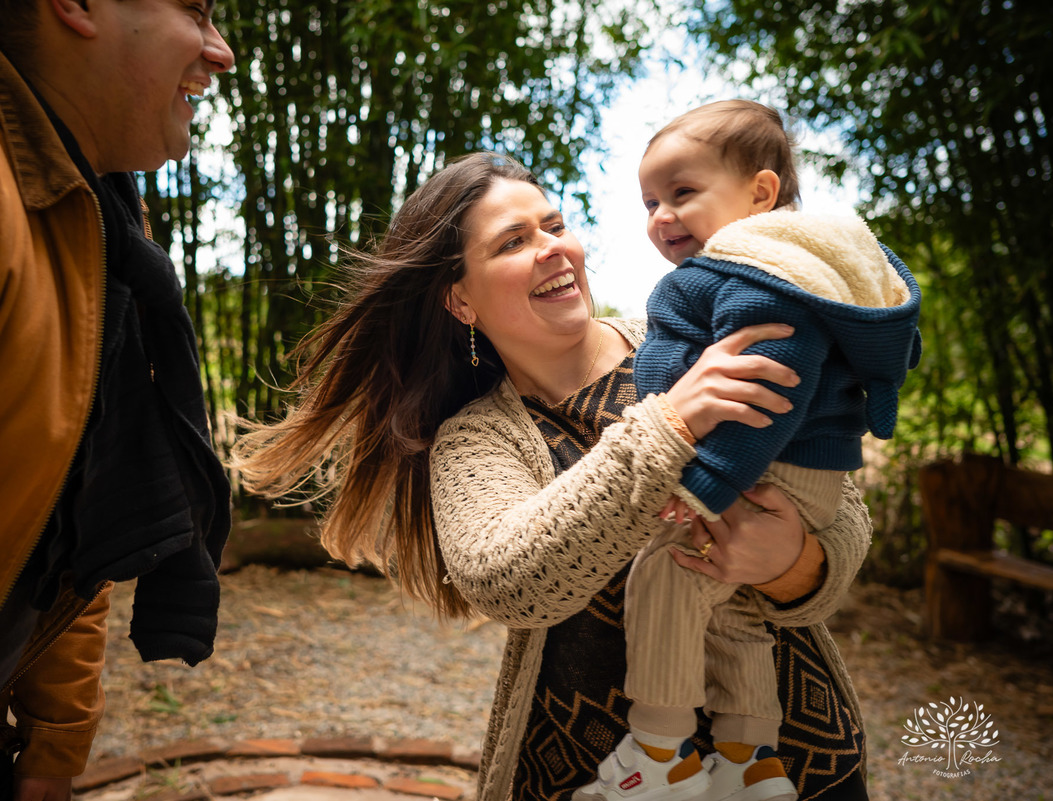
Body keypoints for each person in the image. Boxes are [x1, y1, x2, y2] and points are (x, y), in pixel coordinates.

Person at [233, 152, 874, 801]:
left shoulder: (694, 339)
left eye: (554, 224)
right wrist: (668, 425)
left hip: (794, 763)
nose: (552, 249)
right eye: (513, 242)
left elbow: (837, 507)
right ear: (460, 299)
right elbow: (509, 581)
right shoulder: (479, 437)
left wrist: (793, 562)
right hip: (593, 771)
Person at [0, 2, 235, 799]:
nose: (220, 52)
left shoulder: (92, 200)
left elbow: (77, 502)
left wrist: (55, 744)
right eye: (194, 10)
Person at [570, 101, 922, 801]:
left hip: (767, 465)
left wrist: (707, 480)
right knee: (734, 609)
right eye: (648, 202)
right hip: (791, 470)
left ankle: (661, 753)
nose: (661, 216)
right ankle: (750, 757)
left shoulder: (762, 275)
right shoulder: (755, 270)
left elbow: (768, 393)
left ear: (760, 193)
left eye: (682, 193)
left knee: (669, 568)